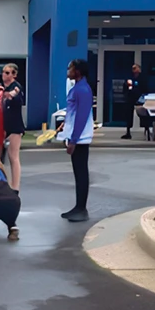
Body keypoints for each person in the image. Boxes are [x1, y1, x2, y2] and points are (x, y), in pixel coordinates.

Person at [58, 59, 93, 222]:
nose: (68, 70)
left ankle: (81, 208)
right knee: (78, 173)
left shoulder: (83, 90)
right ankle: (78, 207)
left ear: (78, 71)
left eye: (70, 67)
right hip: (76, 136)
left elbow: (82, 116)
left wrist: (73, 140)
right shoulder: (78, 88)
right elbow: (73, 113)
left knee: (81, 173)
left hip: (80, 138)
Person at [0, 63, 25, 193]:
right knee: (1, 157)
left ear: (14, 74)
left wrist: (6, 94)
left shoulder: (16, 87)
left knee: (13, 157)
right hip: (4, 126)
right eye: (4, 72)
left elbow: (13, 94)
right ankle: (5, 184)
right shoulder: (3, 88)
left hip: (15, 126)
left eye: (8, 72)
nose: (5, 75)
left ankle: (15, 187)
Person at [121, 63, 147, 139]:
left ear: (139, 69)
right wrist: (126, 93)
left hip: (140, 98)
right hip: (130, 98)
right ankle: (128, 132)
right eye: (133, 68)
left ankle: (146, 130)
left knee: (143, 115)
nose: (134, 70)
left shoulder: (142, 78)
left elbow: (145, 87)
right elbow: (125, 86)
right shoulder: (130, 77)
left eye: (135, 68)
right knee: (128, 115)